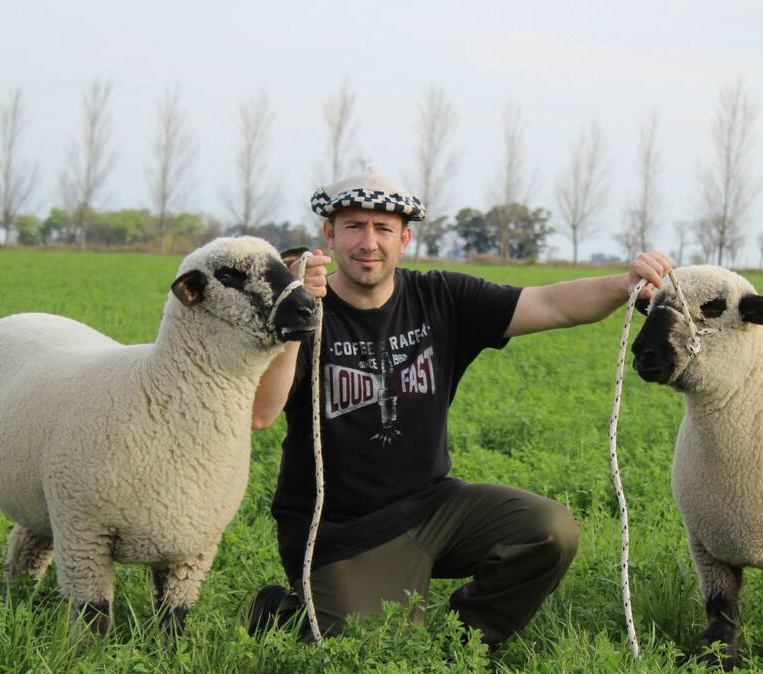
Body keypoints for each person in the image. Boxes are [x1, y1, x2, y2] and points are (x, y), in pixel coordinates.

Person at [249, 167, 671, 647]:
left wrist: (624, 284)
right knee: (370, 660)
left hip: (433, 507)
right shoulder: (305, 312)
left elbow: (551, 304)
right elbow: (261, 413)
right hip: (340, 532)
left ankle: (464, 644)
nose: (369, 242)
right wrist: (295, 317)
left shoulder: (440, 298)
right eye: (354, 226)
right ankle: (283, 614)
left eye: (383, 228)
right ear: (329, 234)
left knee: (549, 530)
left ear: (404, 238)